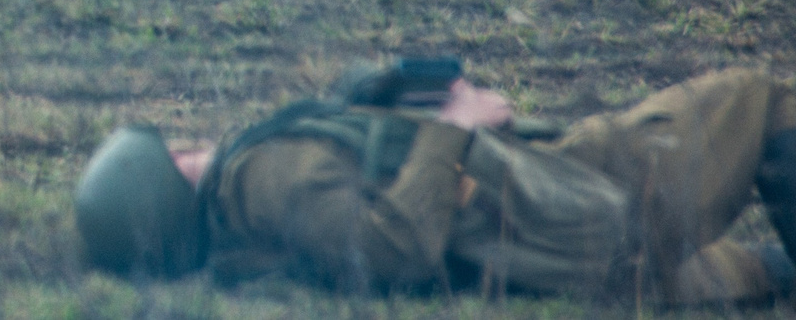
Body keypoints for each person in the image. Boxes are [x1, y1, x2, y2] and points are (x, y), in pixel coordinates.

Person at [77, 67, 796, 305]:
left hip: (551, 252)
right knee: (762, 101)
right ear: (170, 174)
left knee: (768, 272)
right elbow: (389, 247)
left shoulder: (247, 222)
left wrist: (364, 95)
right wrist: (457, 124)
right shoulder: (260, 177)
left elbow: (354, 190)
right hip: (575, 203)